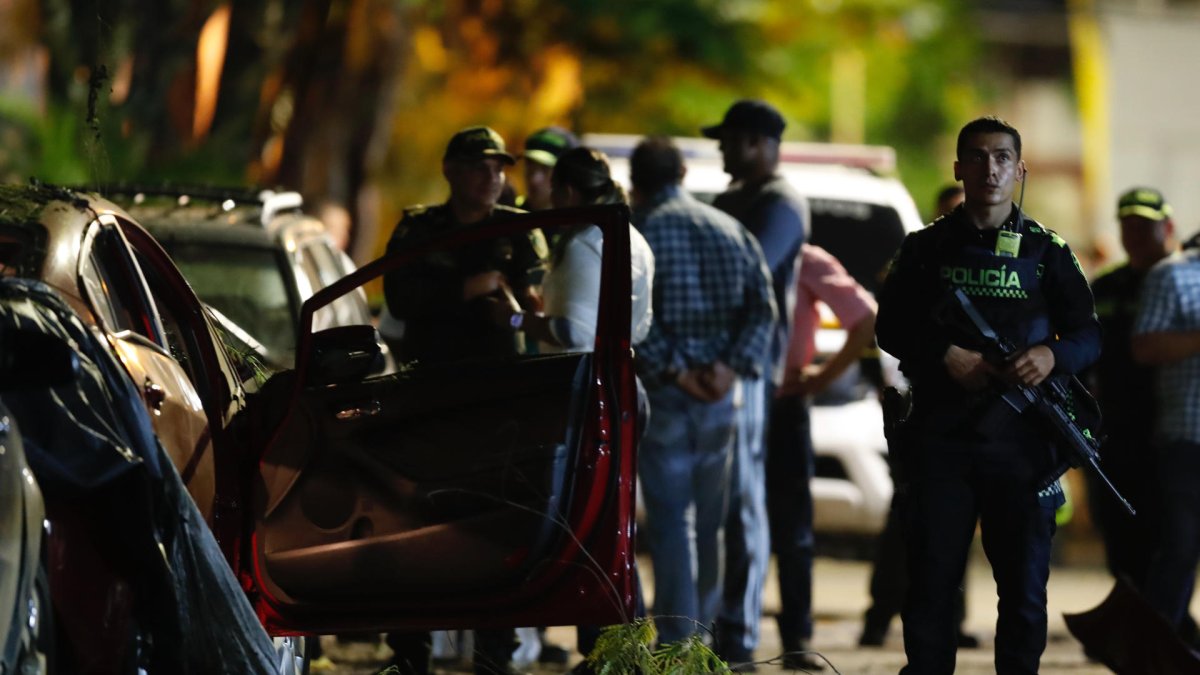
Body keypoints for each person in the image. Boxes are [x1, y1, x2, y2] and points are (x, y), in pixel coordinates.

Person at [875, 116, 1100, 674]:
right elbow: (890, 328)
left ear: (1019, 169)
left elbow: (1089, 335)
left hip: (1023, 446)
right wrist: (942, 355)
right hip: (940, 440)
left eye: (1001, 157)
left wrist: (1051, 356)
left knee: (1024, 594)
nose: (990, 168)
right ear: (959, 168)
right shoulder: (925, 248)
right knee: (930, 586)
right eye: (976, 157)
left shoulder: (1048, 251)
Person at [383, 125, 546, 675]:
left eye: (499, 167)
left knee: (496, 530)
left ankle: (493, 656)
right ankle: (410, 655)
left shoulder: (522, 232)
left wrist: (518, 312)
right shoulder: (420, 229)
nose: (492, 176)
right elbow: (400, 299)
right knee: (416, 528)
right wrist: (465, 292)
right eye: (480, 166)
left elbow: (540, 312)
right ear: (451, 171)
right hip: (430, 399)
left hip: (500, 405)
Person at [630, 137, 776, 653]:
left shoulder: (640, 233)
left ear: (637, 182)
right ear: (682, 174)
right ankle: (703, 642)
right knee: (712, 524)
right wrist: (728, 368)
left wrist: (675, 370)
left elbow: (634, 322)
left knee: (671, 523)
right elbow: (763, 308)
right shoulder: (730, 229)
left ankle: (675, 639)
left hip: (667, 395)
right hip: (720, 396)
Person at [701, 99, 807, 670]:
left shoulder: (781, 205)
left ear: (761, 143)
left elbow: (748, 274)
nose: (721, 148)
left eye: (731, 139)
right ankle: (715, 631)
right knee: (716, 510)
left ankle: (738, 639)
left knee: (743, 506)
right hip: (709, 374)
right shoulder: (729, 200)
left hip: (748, 373)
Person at [859, 183, 978, 650]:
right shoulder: (914, 264)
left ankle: (952, 620)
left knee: (958, 520)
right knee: (905, 520)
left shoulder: (988, 267)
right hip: (916, 411)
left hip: (965, 413)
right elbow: (884, 334)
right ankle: (880, 616)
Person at [770, 244, 876, 670]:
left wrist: (822, 377)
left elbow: (865, 318)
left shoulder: (804, 259)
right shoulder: (788, 255)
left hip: (777, 404)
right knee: (762, 525)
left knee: (787, 526)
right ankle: (738, 633)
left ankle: (794, 635)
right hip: (747, 402)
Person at [1130, 201, 1200, 652]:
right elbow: (1145, 346)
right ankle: (1149, 652)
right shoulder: (1172, 275)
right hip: (1187, 437)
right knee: (1179, 550)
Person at [519, 126, 580, 212]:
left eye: (546, 169)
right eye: (530, 168)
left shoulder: (584, 222)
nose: (534, 180)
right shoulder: (508, 218)